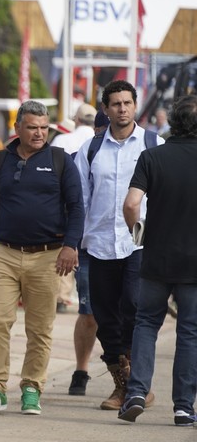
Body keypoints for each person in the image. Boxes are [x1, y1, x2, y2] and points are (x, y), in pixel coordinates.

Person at [0, 99, 84, 416]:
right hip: (5, 253)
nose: (38, 133)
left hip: (48, 256)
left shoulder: (61, 160)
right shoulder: (3, 160)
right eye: (32, 127)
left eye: (43, 128)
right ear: (17, 128)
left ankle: (32, 386)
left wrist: (70, 246)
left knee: (39, 328)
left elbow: (77, 208)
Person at [74, 80, 163, 411]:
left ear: (135, 105)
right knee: (103, 315)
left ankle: (135, 385)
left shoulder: (154, 144)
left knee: (134, 308)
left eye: (127, 103)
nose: (122, 109)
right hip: (98, 243)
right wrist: (75, 240)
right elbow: (80, 198)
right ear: (106, 109)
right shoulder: (91, 149)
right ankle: (122, 381)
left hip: (140, 244)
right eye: (116, 104)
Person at [117, 95, 197, 425]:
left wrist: (138, 233)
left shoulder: (152, 157)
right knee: (190, 332)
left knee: (146, 324)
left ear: (172, 122)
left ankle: (136, 392)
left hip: (156, 258)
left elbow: (131, 204)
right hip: (194, 264)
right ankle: (183, 406)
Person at [51, 103, 98, 395]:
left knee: (87, 309)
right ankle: (82, 371)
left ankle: (61, 295)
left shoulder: (64, 141)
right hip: (88, 238)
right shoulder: (87, 147)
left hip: (80, 236)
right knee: (94, 309)